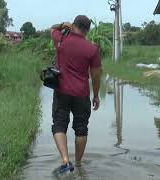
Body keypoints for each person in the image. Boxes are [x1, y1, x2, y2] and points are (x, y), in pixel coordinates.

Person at [50, 15, 102, 176]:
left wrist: (61, 24)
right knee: (81, 129)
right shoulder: (92, 49)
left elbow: (51, 29)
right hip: (81, 93)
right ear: (87, 30)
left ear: (73, 26)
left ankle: (66, 162)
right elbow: (96, 75)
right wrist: (96, 95)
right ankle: (78, 164)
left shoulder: (61, 40)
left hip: (62, 91)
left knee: (59, 124)